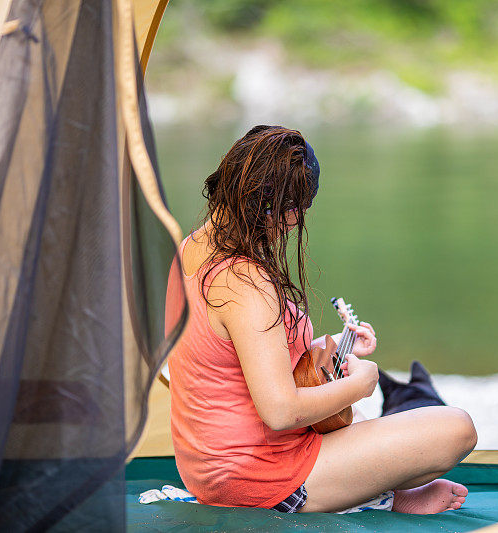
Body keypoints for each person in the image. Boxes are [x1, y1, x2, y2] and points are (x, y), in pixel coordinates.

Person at [164, 125, 477, 514]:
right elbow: (280, 412)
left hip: (207, 468)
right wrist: (363, 383)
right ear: (284, 208)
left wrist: (328, 349)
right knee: (456, 429)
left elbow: (229, 361)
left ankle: (376, 494)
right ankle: (384, 499)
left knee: (360, 419)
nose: (292, 224)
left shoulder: (189, 249)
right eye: (294, 210)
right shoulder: (244, 283)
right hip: (259, 477)